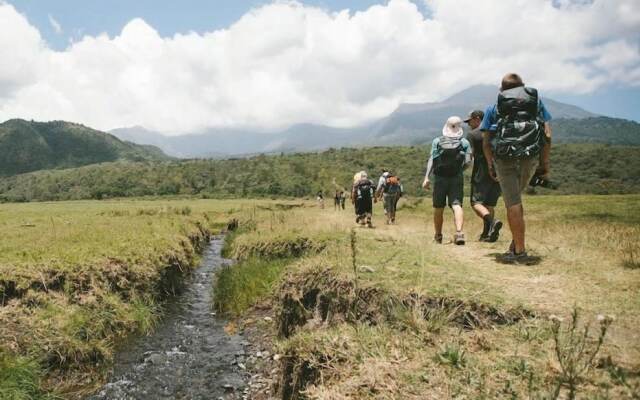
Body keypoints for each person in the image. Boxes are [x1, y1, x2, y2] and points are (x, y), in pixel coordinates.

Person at [480, 73, 552, 263]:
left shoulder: (493, 108)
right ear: (523, 87)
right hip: (530, 157)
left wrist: (490, 163)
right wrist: (545, 165)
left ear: (502, 90)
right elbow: (547, 136)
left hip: (504, 159)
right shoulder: (536, 104)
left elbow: (486, 142)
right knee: (516, 201)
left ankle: (519, 252)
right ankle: (515, 245)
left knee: (512, 203)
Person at [422, 116, 472, 245]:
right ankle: (459, 233)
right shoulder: (464, 142)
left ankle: (438, 236)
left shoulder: (437, 141)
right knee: (456, 205)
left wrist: (427, 177)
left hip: (440, 178)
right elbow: (468, 162)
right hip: (456, 177)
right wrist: (460, 170)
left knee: (438, 207)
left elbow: (432, 159)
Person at [464, 110, 503, 242]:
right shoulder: (496, 132)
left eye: (470, 121)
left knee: (476, 202)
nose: (469, 125)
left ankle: (492, 222)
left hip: (482, 171)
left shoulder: (473, 134)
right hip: (499, 171)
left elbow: (469, 156)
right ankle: (487, 234)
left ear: (477, 118)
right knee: (489, 204)